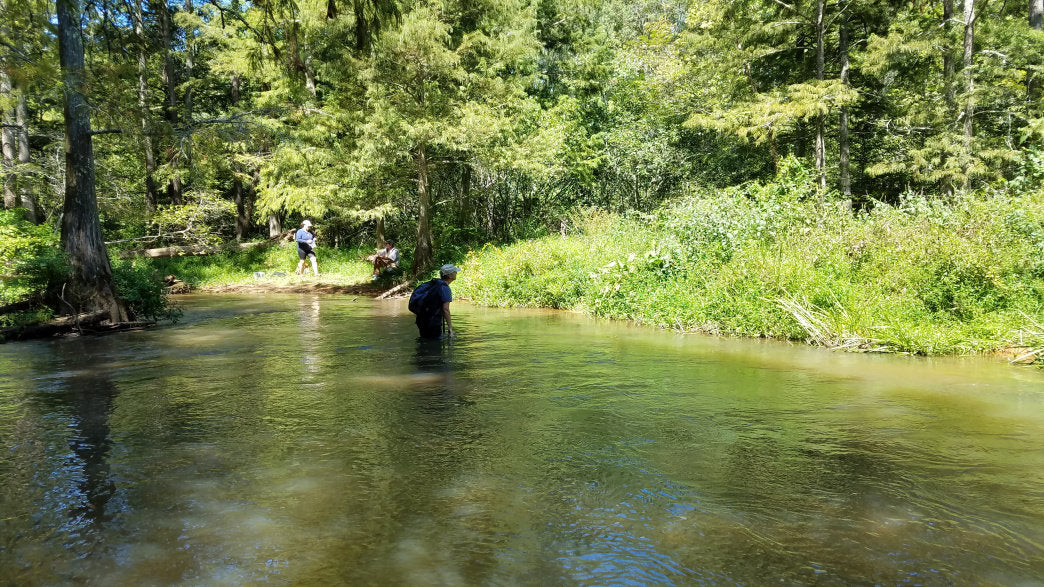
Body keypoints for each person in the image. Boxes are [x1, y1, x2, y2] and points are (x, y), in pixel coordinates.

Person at [416, 264, 459, 339]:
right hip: (433, 322)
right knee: (434, 346)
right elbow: (445, 309)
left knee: (424, 342)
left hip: (421, 320)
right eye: (455, 272)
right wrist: (450, 328)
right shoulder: (445, 288)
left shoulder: (434, 284)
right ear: (450, 275)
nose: (456, 273)